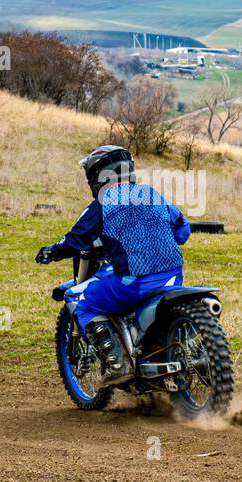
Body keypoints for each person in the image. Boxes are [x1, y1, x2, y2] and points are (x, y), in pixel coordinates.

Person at [35, 145, 191, 380]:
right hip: (173, 275)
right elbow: (182, 231)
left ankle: (118, 365)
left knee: (80, 299)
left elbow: (76, 239)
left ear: (98, 175)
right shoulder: (150, 194)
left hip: (134, 281)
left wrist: (52, 252)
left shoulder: (102, 203)